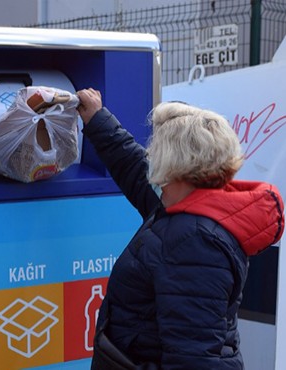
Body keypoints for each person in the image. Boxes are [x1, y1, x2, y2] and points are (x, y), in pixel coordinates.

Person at [76, 88, 284, 369]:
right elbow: (135, 169)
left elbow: (195, 360)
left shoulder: (195, 242)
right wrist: (98, 120)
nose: (153, 164)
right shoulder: (190, 207)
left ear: (179, 167)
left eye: (159, 155)